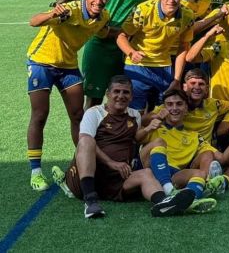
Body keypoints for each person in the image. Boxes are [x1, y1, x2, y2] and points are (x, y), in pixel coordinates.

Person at [52, 75, 201, 218]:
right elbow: (84, 142)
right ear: (107, 94)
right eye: (116, 91)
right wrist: (112, 163)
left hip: (118, 178)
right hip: (92, 176)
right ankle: (90, 202)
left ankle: (163, 202)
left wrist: (148, 129)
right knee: (85, 141)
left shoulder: (134, 115)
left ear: (131, 96)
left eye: (125, 92)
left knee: (147, 172)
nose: (121, 96)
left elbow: (135, 138)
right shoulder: (94, 113)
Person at [26, 0, 112, 191]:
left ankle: (82, 163)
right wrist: (53, 13)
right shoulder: (69, 11)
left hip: (68, 66)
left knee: (77, 116)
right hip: (41, 62)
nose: (98, 1)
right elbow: (34, 21)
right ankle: (35, 171)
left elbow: (104, 31)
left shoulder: (103, 16)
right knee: (40, 114)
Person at [59, 0, 157, 108]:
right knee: (94, 99)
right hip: (99, 45)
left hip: (128, 48)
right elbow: (79, 1)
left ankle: (120, 134)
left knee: (126, 97)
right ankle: (90, 135)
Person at [139, 89, 229, 213]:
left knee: (200, 172)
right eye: (169, 104)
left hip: (175, 175)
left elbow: (222, 158)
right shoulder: (154, 127)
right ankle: (169, 192)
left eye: (179, 104)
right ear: (163, 108)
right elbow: (135, 137)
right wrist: (150, 124)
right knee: (159, 142)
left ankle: (189, 201)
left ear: (186, 108)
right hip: (150, 170)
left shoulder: (194, 136)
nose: (174, 108)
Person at [116, 0, 195, 112]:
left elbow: (183, 47)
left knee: (164, 112)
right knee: (136, 113)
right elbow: (121, 36)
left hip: (164, 67)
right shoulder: (143, 10)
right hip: (138, 66)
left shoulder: (187, 16)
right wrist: (131, 52)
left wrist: (176, 79)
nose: (171, 0)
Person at [143, 68, 229, 147]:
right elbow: (143, 121)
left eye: (201, 84)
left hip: (201, 151)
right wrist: (158, 116)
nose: (197, 87)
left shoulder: (214, 105)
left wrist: (225, 124)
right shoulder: (174, 104)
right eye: (193, 83)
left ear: (206, 89)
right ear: (184, 87)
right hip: (177, 149)